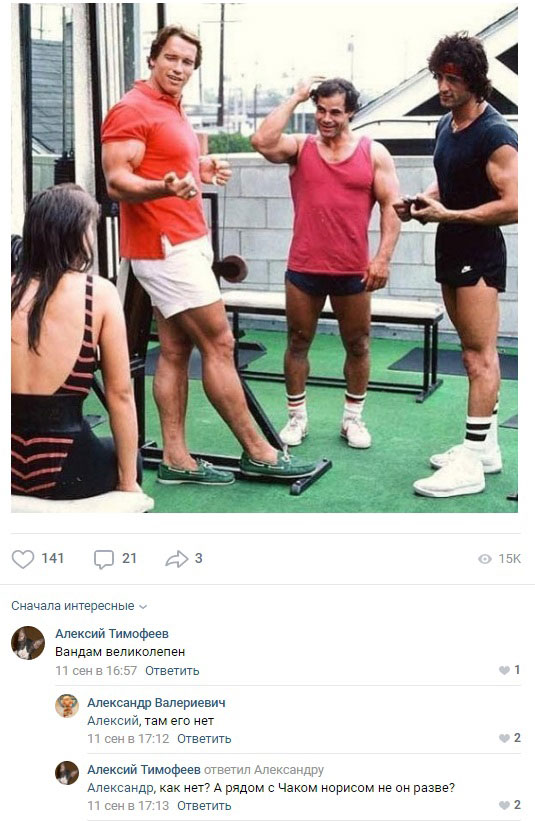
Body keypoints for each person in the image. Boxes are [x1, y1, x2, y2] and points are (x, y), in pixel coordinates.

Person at [101, 25, 315, 484]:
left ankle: (176, 460)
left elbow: (160, 161)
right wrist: (164, 188)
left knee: (175, 350)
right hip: (165, 246)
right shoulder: (131, 108)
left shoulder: (169, 106)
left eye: (187, 62)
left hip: (185, 240)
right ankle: (260, 452)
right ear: (153, 58)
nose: (179, 68)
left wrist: (199, 167)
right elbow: (117, 180)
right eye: (171, 58)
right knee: (220, 344)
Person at [394, 33, 518, 498]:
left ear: (474, 80)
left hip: (479, 251)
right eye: (439, 77)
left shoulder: (496, 135)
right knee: (469, 350)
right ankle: (485, 450)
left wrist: (452, 216)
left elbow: (515, 204)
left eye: (453, 79)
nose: (443, 87)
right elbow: (449, 180)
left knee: (480, 356)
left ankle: (470, 463)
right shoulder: (447, 124)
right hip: (450, 246)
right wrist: (423, 201)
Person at [251, 77, 400, 448]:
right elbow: (262, 141)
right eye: (320, 110)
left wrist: (382, 258)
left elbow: (391, 208)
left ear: (351, 112)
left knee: (358, 344)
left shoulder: (373, 153)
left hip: (353, 271)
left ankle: (353, 420)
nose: (327, 119)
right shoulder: (300, 148)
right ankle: (296, 419)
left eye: (335, 112)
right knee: (297, 341)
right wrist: (296, 96)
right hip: (304, 269)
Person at [11, 184, 142, 500]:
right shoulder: (98, 294)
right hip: (67, 470)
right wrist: (128, 483)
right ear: (77, 235)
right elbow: (120, 394)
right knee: (132, 459)